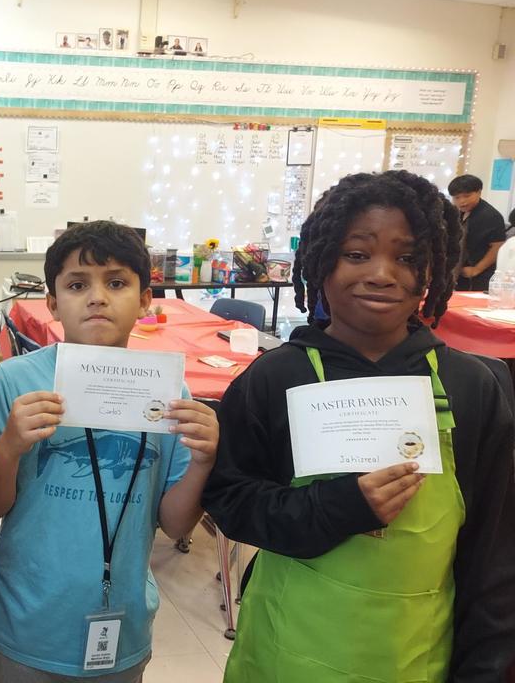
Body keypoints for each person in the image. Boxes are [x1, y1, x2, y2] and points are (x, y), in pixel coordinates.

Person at [203, 170, 515, 682]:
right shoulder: (278, 376)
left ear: (433, 268)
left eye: (408, 257)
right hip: (287, 649)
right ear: (322, 263)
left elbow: (494, 556)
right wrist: (340, 507)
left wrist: (485, 668)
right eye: (356, 254)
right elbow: (231, 502)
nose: (382, 273)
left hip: (414, 657)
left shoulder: (472, 386)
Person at [0, 220, 220, 681]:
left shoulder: (167, 390)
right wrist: (9, 447)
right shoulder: (15, 380)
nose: (98, 297)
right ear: (52, 302)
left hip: (125, 620)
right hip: (27, 624)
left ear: (146, 300)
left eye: (118, 283)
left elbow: (176, 524)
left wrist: (204, 462)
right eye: (78, 284)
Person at [447, 173, 506, 291]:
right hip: (460, 274)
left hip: (479, 277)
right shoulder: (457, 212)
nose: (462, 201)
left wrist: (476, 269)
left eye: (467, 196)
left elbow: (497, 246)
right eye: (457, 198)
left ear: (479, 192)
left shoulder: (490, 216)